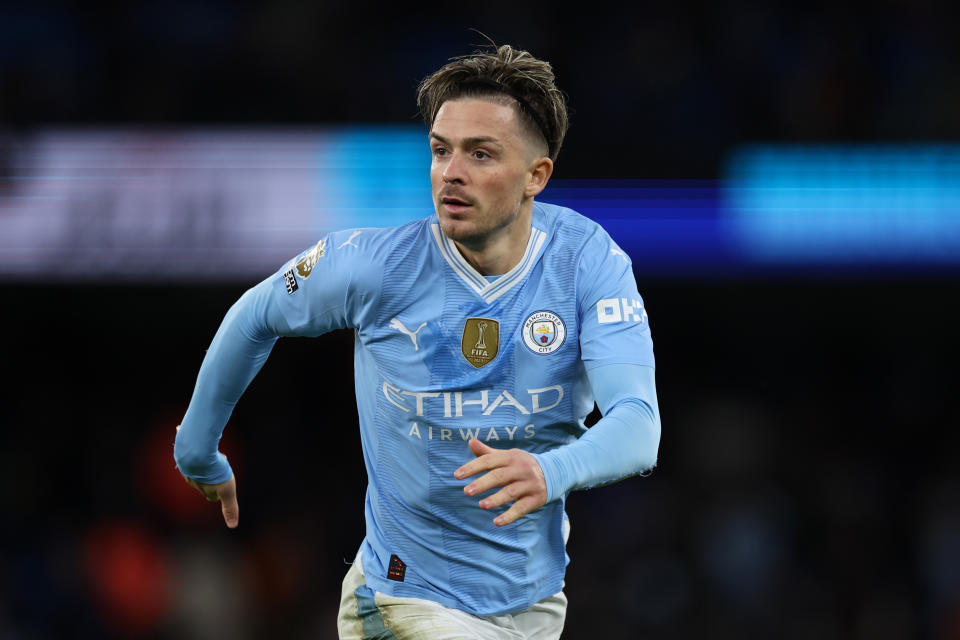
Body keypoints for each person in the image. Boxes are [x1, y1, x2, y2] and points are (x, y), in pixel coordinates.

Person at [174, 42, 661, 640]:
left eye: (481, 154)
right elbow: (256, 315)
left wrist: (549, 470)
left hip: (532, 603)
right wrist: (197, 446)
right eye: (440, 150)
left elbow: (638, 426)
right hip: (405, 600)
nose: (451, 172)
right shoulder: (375, 266)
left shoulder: (588, 262)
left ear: (537, 175)